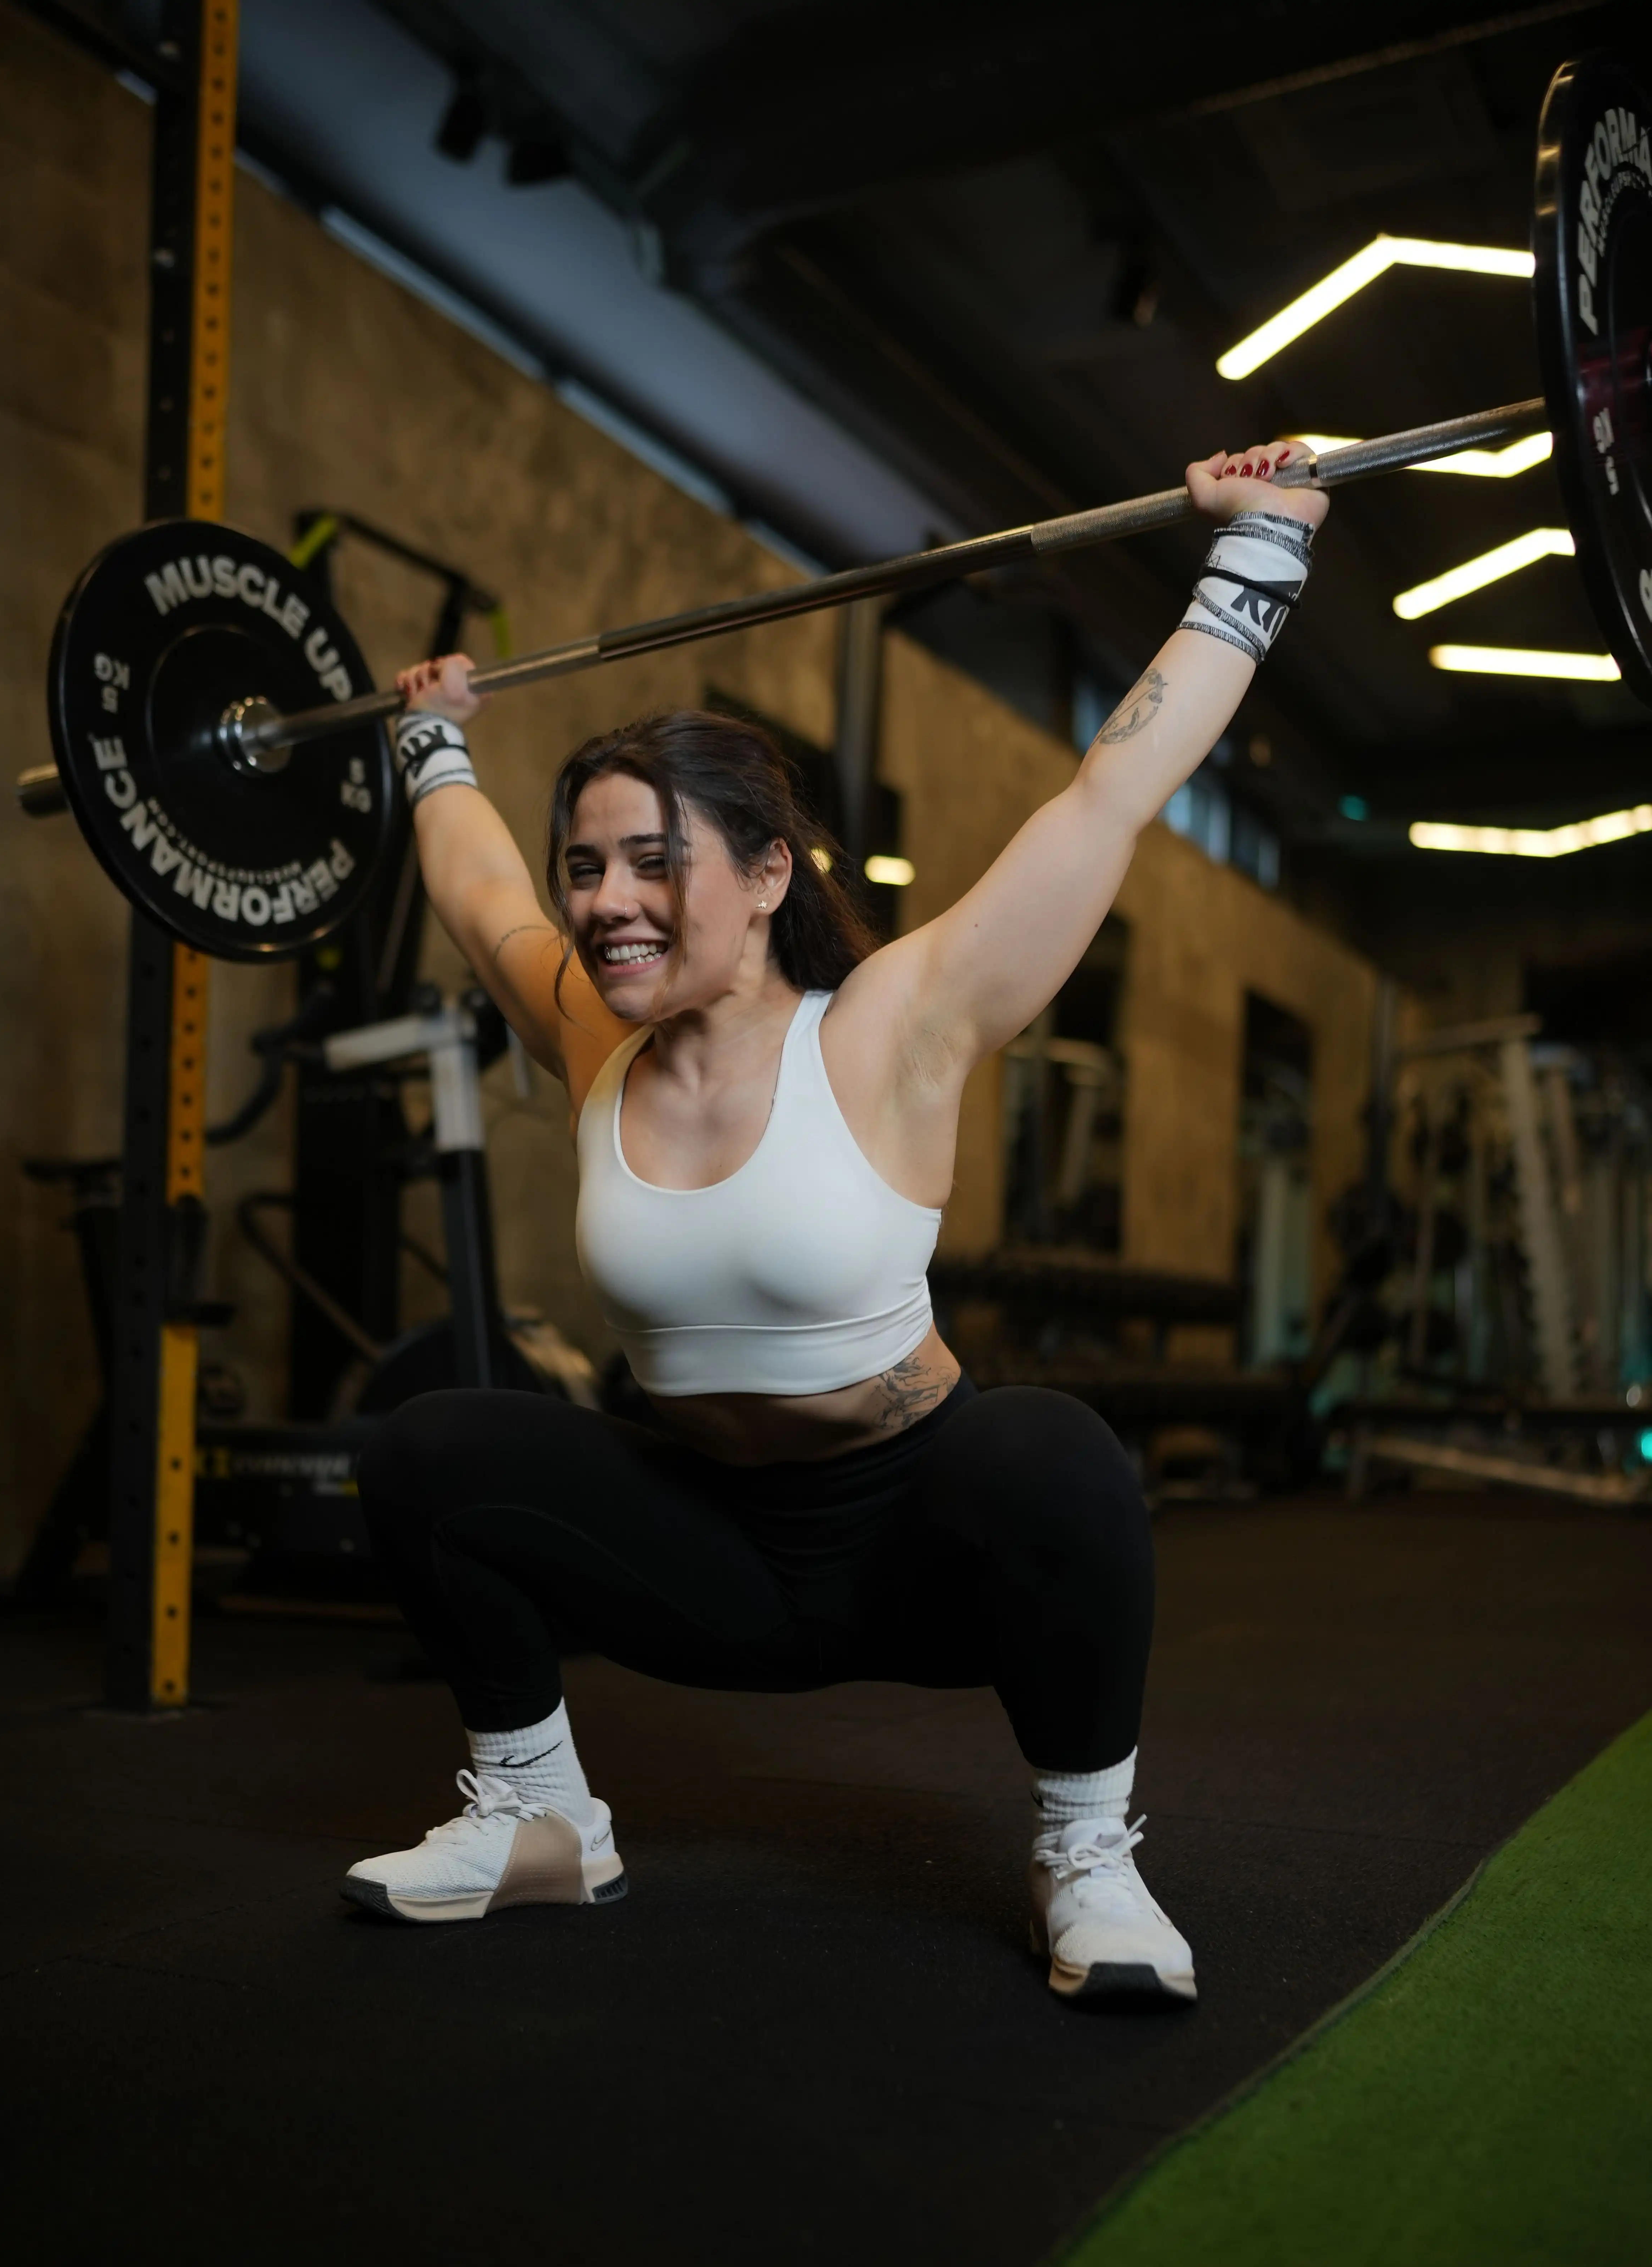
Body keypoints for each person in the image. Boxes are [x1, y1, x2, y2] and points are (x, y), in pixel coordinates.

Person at [346, 441, 1327, 2003]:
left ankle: (1085, 1854)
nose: (605, 901)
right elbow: (479, 898)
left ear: (765, 876)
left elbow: (1109, 795)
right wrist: (430, 740)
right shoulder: (596, 1039)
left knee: (1054, 1455)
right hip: (707, 1553)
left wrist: (1258, 554)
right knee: (425, 1451)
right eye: (587, 867)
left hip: (917, 1556)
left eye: (654, 862)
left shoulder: (890, 1027)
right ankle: (540, 1817)